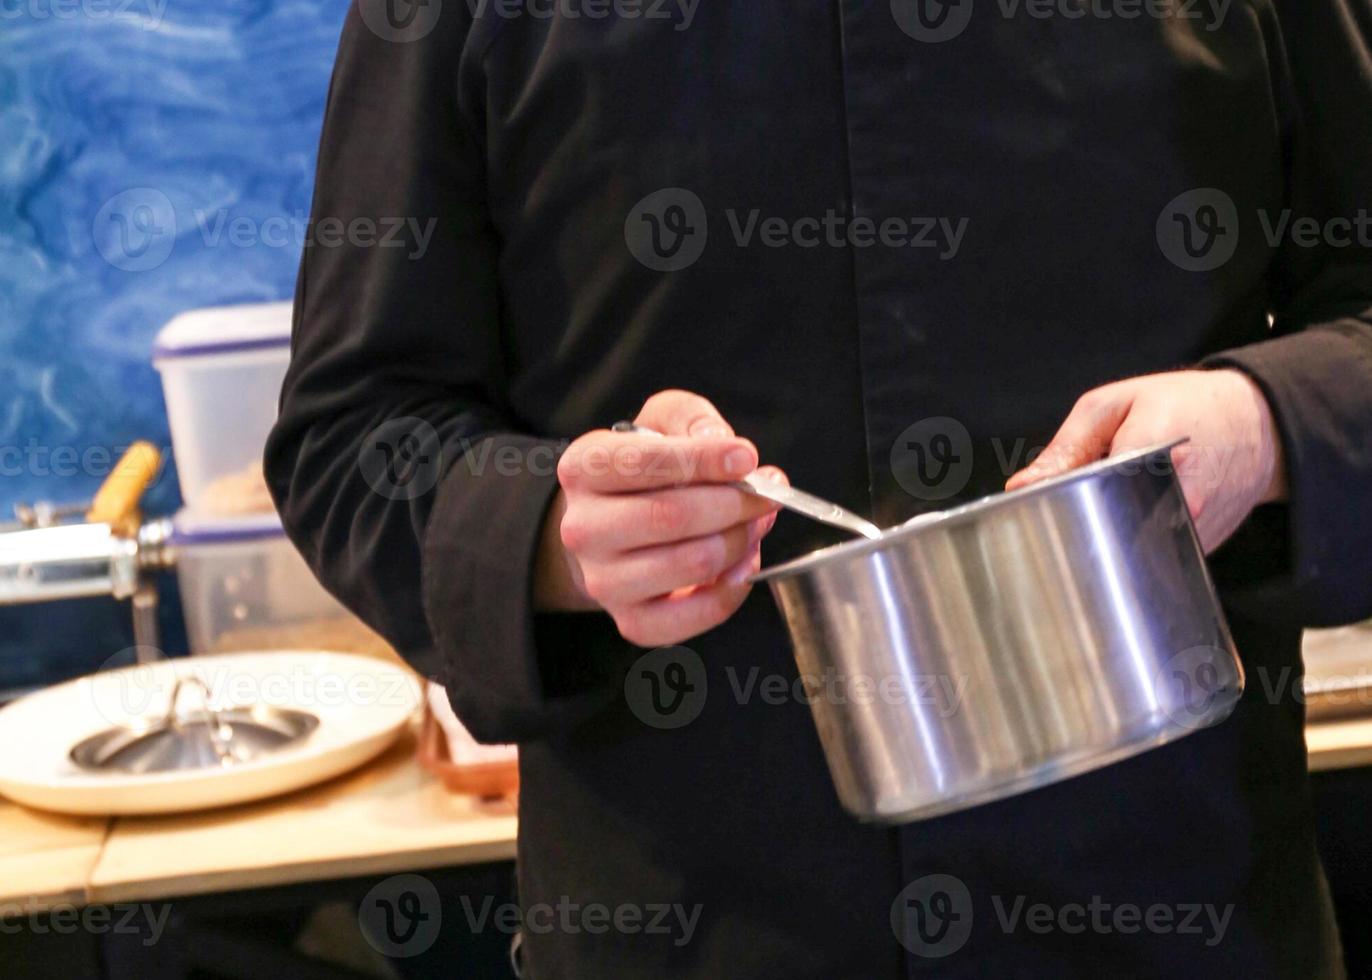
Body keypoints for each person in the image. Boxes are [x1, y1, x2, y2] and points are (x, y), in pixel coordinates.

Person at [265, 1, 1372, 976]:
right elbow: (351, 432)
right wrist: (552, 535)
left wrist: (1263, 425)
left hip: (1180, 909)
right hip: (688, 927)